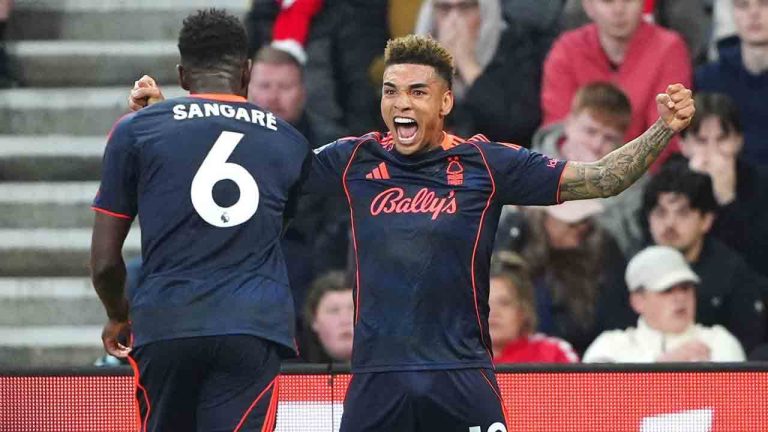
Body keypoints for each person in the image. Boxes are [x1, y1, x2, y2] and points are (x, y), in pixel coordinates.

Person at [129, 34, 694, 432]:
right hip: (376, 379)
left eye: (418, 92)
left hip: (462, 375)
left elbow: (602, 178)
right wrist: (164, 119)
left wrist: (662, 129)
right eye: (392, 91)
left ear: (445, 101)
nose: (401, 103)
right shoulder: (352, 160)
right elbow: (241, 175)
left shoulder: (486, 164)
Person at [92, 10, 310, 431]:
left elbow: (104, 262)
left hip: (166, 322)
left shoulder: (136, 131)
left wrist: (117, 313)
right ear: (246, 73)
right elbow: (271, 229)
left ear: (182, 74)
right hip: (251, 325)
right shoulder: (289, 141)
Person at [248, 45, 350, 329]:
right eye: (265, 85)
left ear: (303, 92)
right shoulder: (223, 146)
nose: (273, 97)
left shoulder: (332, 146)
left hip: (314, 267)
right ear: (248, 90)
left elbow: (338, 224)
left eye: (284, 87)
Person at [542, 0, 692, 167]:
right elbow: (557, 126)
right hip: (571, 166)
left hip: (641, 176)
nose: (619, 10)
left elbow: (664, 134)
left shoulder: (669, 48)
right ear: (588, 6)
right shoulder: (566, 49)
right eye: (608, 1)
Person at [640, 162, 767, 352]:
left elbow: (749, 348)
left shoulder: (732, 273)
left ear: (706, 221)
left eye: (682, 213)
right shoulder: (635, 269)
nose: (669, 224)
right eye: (660, 213)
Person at [533, 82, 645, 256]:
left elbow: (627, 245)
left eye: (609, 138)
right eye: (590, 131)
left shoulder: (634, 183)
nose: (596, 145)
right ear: (569, 124)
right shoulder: (531, 164)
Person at [414, 0, 549, 145]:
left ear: (485, 10)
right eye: (444, 9)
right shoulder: (413, 56)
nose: (454, 20)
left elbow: (516, 129)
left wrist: (468, 64)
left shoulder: (519, 49)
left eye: (465, 7)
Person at [583, 245, 746, 362]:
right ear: (638, 301)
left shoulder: (718, 342)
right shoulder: (610, 347)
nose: (680, 298)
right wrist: (661, 369)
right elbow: (593, 404)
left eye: (685, 288)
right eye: (667, 290)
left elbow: (739, 406)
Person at [516, 200, 631, 354]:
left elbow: (619, 316)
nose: (581, 228)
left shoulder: (604, 251)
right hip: (531, 359)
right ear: (543, 219)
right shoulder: (517, 248)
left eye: (585, 221)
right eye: (572, 223)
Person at [679, 92, 768, 277]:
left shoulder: (761, 184)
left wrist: (727, 199)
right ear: (684, 145)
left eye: (722, 140)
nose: (712, 151)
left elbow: (759, 257)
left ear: (738, 141)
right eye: (701, 141)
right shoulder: (669, 183)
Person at [695, 0, 768, 167]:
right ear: (732, 12)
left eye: (764, 4)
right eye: (743, 5)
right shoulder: (707, 80)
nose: (753, 13)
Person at [489, 252, 578, 363]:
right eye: (483, 304)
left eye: (504, 303)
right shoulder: (461, 361)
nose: (493, 312)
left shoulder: (553, 354)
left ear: (524, 309)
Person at [300, 271, 354, 363]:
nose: (345, 320)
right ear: (314, 320)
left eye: (354, 309)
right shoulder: (291, 374)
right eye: (334, 311)